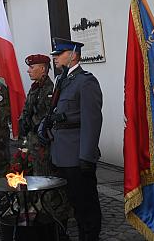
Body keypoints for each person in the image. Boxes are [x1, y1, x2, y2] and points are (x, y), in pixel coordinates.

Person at [49, 38, 103, 241]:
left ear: (72, 55)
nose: (54, 57)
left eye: (59, 54)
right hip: (61, 152)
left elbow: (92, 120)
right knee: (70, 200)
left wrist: (87, 156)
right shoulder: (62, 80)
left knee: (85, 203)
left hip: (76, 153)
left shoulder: (86, 81)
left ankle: (89, 236)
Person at [18, 54, 55, 175]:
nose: (28, 71)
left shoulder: (49, 89)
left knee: (42, 174)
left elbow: (46, 116)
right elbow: (27, 109)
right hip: (30, 139)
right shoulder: (35, 87)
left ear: (43, 69)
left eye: (32, 67)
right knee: (28, 171)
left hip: (40, 141)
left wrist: (31, 124)